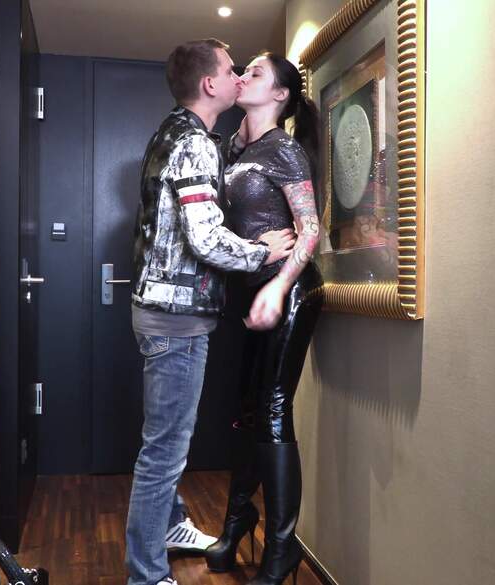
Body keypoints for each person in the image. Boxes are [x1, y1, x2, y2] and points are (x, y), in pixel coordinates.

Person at [126, 39, 297, 585]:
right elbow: (203, 238)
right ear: (210, 84)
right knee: (164, 453)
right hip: (176, 319)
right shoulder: (195, 143)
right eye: (231, 70)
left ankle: (171, 525)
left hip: (159, 310)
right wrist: (262, 252)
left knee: (164, 441)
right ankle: (147, 576)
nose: (238, 76)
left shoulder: (173, 131)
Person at [204, 53, 323, 585]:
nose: (243, 77)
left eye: (255, 72)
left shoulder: (285, 150)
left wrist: (278, 286)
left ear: (279, 95)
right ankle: (236, 524)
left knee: (273, 409)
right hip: (251, 292)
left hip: (290, 290)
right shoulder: (236, 147)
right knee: (244, 412)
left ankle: (281, 547)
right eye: (243, 70)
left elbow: (310, 229)